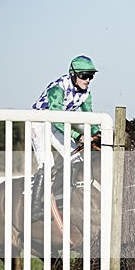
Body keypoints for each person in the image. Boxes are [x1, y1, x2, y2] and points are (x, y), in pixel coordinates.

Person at [29, 55, 99, 217]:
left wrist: (97, 134)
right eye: (84, 76)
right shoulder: (57, 89)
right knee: (47, 163)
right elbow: (57, 118)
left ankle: (68, 198)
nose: (88, 80)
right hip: (39, 124)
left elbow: (90, 117)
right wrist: (77, 136)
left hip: (57, 125)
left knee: (76, 158)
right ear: (73, 74)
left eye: (91, 76)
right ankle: (35, 207)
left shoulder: (86, 93)